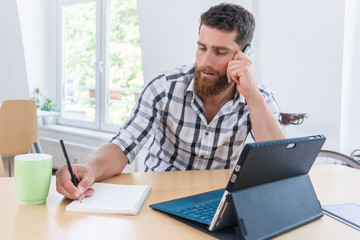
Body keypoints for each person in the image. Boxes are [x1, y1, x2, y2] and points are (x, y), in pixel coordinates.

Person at [56, 3, 286, 200]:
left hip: (215, 201)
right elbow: (124, 144)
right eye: (202, 47)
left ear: (244, 55)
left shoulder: (259, 99)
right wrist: (90, 168)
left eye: (220, 52)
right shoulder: (164, 87)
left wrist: (252, 96)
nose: (205, 61)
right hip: (159, 195)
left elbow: (279, 164)